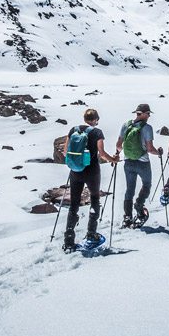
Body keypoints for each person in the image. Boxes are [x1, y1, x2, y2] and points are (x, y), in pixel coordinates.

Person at [63, 108, 118, 252]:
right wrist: (113, 159)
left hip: (75, 171)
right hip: (92, 171)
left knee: (74, 203)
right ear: (96, 120)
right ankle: (91, 234)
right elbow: (101, 153)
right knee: (94, 198)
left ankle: (69, 240)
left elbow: (65, 151)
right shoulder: (97, 132)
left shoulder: (73, 130)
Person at [116, 103, 162, 227]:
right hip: (143, 163)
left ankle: (127, 217)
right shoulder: (147, 128)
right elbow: (150, 149)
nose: (149, 116)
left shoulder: (126, 125)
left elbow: (119, 145)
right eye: (148, 114)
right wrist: (159, 153)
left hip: (128, 162)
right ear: (145, 114)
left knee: (129, 189)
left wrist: (117, 154)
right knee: (146, 185)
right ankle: (139, 206)